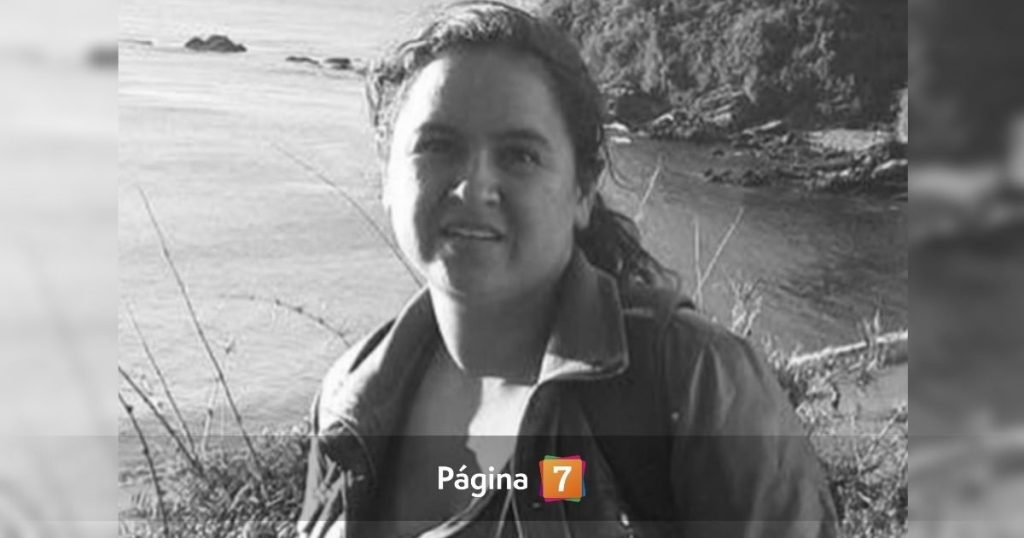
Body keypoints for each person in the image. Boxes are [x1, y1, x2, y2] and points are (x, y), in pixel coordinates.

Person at [299, 2, 838, 536]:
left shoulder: (695, 381)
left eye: (519, 155)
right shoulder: (353, 398)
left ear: (583, 190)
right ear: (387, 176)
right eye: (437, 145)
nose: (473, 187)